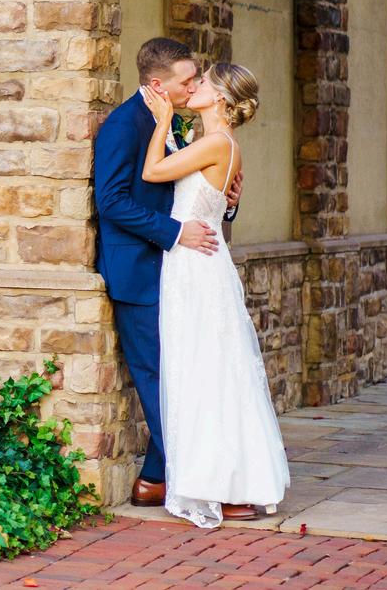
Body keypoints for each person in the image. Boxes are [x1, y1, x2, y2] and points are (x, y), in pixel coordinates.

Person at [139, 62, 291, 527]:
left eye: (203, 81)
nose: (195, 86)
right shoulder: (215, 143)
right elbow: (207, 198)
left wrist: (162, 120)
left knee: (206, 369)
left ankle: (225, 485)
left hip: (196, 267)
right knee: (209, 367)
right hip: (197, 262)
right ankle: (226, 483)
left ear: (220, 97)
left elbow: (153, 171)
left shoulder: (217, 143)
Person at [92, 38, 240, 509]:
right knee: (158, 377)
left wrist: (226, 205)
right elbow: (112, 202)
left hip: (180, 271)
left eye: (196, 79)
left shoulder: (173, 121)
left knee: (183, 373)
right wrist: (175, 233)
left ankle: (155, 478)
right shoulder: (124, 125)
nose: (194, 86)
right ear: (158, 84)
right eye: (187, 80)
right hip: (139, 271)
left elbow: (192, 191)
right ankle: (192, 479)